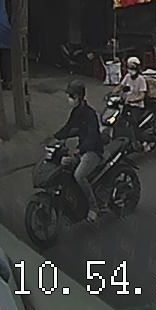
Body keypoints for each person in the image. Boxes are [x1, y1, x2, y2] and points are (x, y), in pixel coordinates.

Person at [54, 79, 103, 223]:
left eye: (72, 96)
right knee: (63, 165)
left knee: (79, 175)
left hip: (93, 152)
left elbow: (93, 137)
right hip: (81, 150)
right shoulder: (76, 112)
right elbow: (68, 128)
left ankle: (94, 208)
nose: (70, 99)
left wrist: (79, 150)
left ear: (79, 97)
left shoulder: (90, 114)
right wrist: (55, 137)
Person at [120, 56, 149, 128]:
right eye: (129, 67)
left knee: (133, 123)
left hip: (137, 106)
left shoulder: (141, 79)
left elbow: (142, 95)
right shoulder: (127, 76)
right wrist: (113, 93)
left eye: (132, 68)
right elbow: (121, 86)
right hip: (127, 104)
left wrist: (133, 100)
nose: (130, 70)